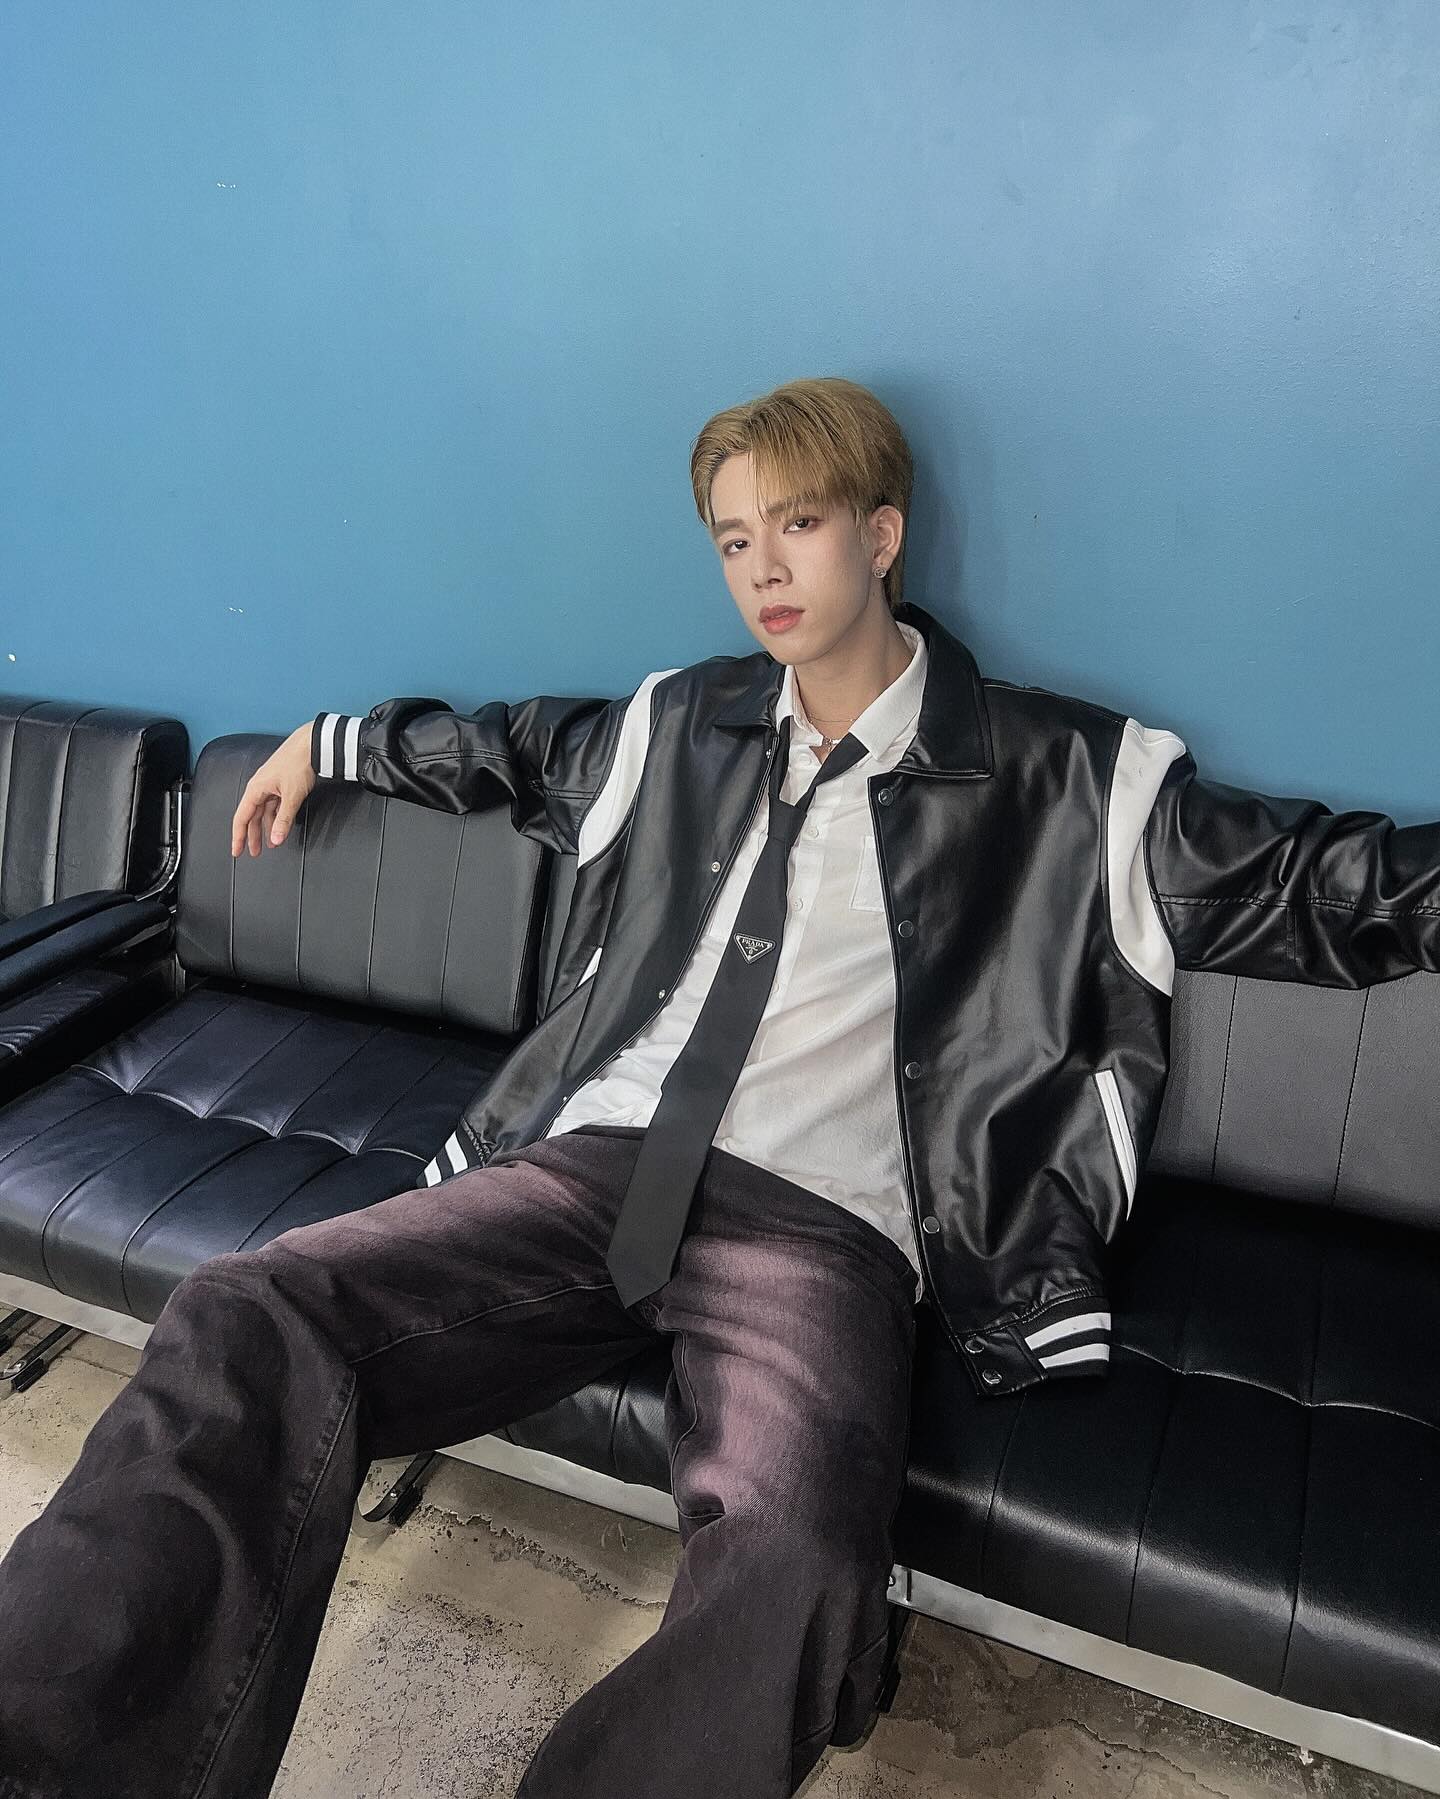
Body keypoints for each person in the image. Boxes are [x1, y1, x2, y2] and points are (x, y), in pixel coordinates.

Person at [3, 376, 1440, 1799]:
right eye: (735, 539)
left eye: (797, 525)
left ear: (882, 534)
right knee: (250, 1312)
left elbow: (1328, 884)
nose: (763, 571)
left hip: (822, 1229)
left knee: (796, 1559)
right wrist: (330, 744)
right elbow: (506, 751)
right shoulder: (679, 721)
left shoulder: (1075, 774)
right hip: (591, 1173)